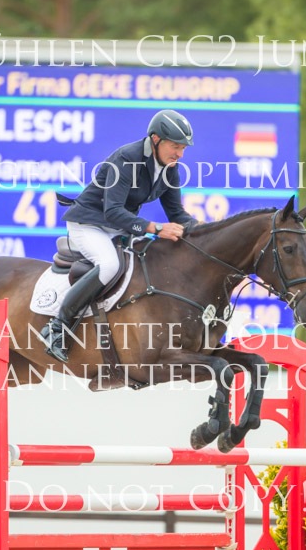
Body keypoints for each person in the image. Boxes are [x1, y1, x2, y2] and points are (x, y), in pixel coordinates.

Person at [41, 109, 197, 363]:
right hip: (89, 224)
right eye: (176, 146)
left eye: (183, 148)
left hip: (119, 228)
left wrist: (204, 231)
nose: (180, 154)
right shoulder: (126, 158)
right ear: (156, 139)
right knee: (110, 265)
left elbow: (177, 213)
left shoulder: (170, 167)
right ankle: (57, 327)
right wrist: (156, 228)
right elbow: (112, 211)